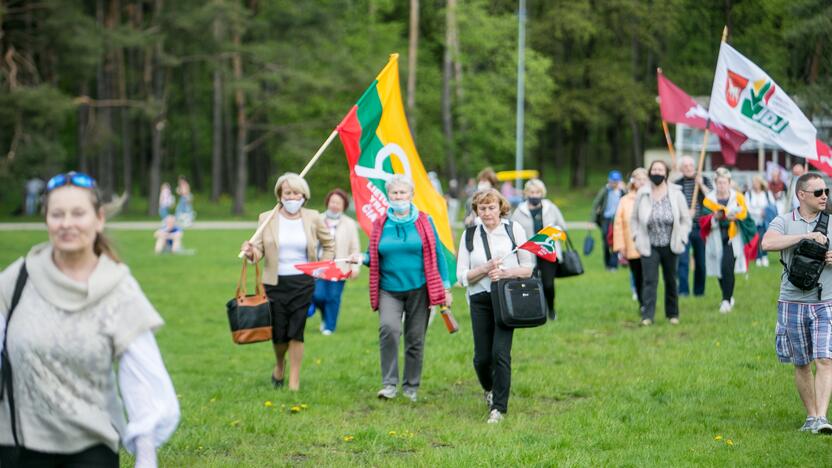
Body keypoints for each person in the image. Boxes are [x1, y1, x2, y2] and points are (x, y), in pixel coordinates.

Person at [0, 171, 179, 467]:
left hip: (89, 450)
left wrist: (146, 456)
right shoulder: (17, 280)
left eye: (78, 213)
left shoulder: (118, 289)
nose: (67, 223)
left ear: (99, 219)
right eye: (57, 214)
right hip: (17, 446)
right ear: (46, 219)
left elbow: (142, 377)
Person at [349, 174, 452, 402]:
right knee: (389, 330)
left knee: (415, 339)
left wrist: (445, 287)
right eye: (394, 193)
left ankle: (411, 387)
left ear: (411, 195)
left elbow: (438, 256)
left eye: (402, 192)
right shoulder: (380, 224)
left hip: (420, 289)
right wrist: (359, 258)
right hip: (389, 289)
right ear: (388, 196)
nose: (398, 196)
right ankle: (389, 385)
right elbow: (373, 255)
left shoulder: (424, 221)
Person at [240, 173, 334, 391]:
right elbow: (258, 252)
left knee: (296, 330)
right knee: (279, 332)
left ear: (304, 194)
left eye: (296, 192)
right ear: (280, 195)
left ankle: (294, 379)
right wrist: (249, 251)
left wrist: (323, 266)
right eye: (287, 193)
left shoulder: (313, 217)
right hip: (274, 283)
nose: (292, 197)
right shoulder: (267, 218)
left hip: (303, 282)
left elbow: (329, 244)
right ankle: (279, 365)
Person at [761, 172, 832, 434]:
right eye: (818, 192)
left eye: (825, 191)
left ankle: (823, 418)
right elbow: (766, 243)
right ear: (801, 195)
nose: (824, 196)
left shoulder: (831, 222)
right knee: (801, 362)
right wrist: (804, 238)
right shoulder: (784, 221)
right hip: (791, 301)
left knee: (825, 359)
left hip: (826, 301)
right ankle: (811, 417)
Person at [457, 188, 534, 424]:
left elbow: (528, 268)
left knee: (500, 353)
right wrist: (484, 268)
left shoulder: (514, 229)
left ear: (501, 207)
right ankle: (489, 389)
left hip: (505, 299)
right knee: (482, 358)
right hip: (479, 299)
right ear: (476, 211)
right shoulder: (469, 235)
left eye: (492, 207)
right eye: (482, 208)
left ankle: (498, 408)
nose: (488, 212)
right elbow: (461, 277)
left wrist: (506, 272)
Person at [630, 160, 692, 326]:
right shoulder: (642, 193)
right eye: (654, 169)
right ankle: (647, 316)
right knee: (649, 281)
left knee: (671, 279)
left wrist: (683, 237)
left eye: (660, 169)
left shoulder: (676, 193)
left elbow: (686, 219)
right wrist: (635, 236)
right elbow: (634, 218)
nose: (657, 172)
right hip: (648, 244)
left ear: (666, 173)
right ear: (650, 172)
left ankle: (672, 314)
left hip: (670, 244)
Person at [511, 178, 566, 320]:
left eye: (537, 192)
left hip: (548, 251)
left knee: (548, 284)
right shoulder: (519, 211)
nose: (534, 195)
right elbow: (513, 231)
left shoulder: (550, 207)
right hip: (529, 253)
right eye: (532, 192)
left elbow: (562, 225)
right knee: (533, 284)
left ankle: (551, 309)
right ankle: (536, 310)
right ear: (526, 193)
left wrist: (553, 232)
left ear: (542, 193)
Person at [308, 189, 360, 335]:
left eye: (339, 203)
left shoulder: (349, 223)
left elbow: (354, 247)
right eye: (333, 202)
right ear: (327, 202)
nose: (335, 205)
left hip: (340, 267)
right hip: (319, 266)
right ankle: (325, 315)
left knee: (333, 297)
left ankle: (329, 326)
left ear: (344, 206)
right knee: (318, 295)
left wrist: (355, 268)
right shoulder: (317, 219)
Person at [703, 169, 752, 313]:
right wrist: (715, 218)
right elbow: (704, 220)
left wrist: (736, 217)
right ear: (715, 183)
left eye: (724, 182)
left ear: (729, 183)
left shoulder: (737, 197)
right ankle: (727, 297)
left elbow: (745, 215)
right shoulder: (709, 200)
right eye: (719, 182)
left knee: (728, 266)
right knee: (719, 269)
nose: (721, 185)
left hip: (733, 236)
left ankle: (726, 299)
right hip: (716, 235)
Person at [673, 155, 713, 297]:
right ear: (681, 169)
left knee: (701, 262)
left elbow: (712, 200)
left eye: (691, 165)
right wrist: (685, 213)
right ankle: (683, 290)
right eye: (685, 166)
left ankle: (699, 292)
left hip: (700, 227)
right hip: (683, 227)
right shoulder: (677, 184)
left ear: (695, 167)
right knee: (682, 260)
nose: (689, 168)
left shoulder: (705, 180)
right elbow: (673, 206)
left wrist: (701, 184)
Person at [613, 168, 648, 312]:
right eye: (639, 179)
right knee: (638, 277)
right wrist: (621, 245)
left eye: (644, 179)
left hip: (650, 245)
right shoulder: (625, 200)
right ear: (633, 181)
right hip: (632, 245)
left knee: (649, 277)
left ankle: (649, 302)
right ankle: (642, 304)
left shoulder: (652, 197)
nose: (642, 182)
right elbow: (618, 224)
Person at [591, 170, 625, 270]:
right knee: (606, 242)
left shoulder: (622, 191)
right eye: (613, 181)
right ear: (609, 180)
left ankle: (613, 264)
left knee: (616, 241)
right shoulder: (605, 190)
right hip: (606, 219)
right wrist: (592, 220)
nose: (614, 183)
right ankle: (607, 263)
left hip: (618, 220)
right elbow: (596, 204)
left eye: (616, 181)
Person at [746, 175, 776, 267]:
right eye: (754, 182)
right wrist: (759, 212)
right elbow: (747, 207)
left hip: (765, 221)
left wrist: (766, 211)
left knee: (763, 238)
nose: (755, 184)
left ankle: (764, 256)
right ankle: (758, 257)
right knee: (756, 238)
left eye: (757, 182)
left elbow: (773, 205)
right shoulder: (749, 194)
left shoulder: (767, 193)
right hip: (753, 220)